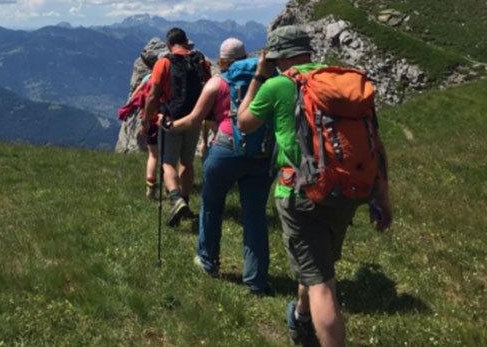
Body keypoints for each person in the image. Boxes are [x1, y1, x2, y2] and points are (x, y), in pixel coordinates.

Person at [236, 25, 393, 347]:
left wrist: (259, 77)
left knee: (323, 285)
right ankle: (301, 319)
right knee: (318, 266)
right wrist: (382, 198)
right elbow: (376, 144)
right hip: (346, 190)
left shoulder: (278, 85)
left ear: (277, 56)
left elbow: (244, 122)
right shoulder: (346, 85)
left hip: (299, 194)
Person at [163, 37, 273, 294]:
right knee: (255, 216)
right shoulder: (266, 80)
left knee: (212, 206)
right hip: (261, 153)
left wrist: (169, 126)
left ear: (223, 61)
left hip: (225, 148)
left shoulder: (218, 82)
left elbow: (193, 119)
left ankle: (208, 260)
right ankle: (256, 280)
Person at [143, 27, 209, 226]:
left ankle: (175, 198)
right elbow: (207, 85)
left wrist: (147, 120)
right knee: (187, 163)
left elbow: (153, 95)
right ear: (186, 42)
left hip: (170, 120)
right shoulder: (201, 61)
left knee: (168, 163)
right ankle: (186, 203)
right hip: (193, 119)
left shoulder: (163, 63)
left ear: (169, 44)